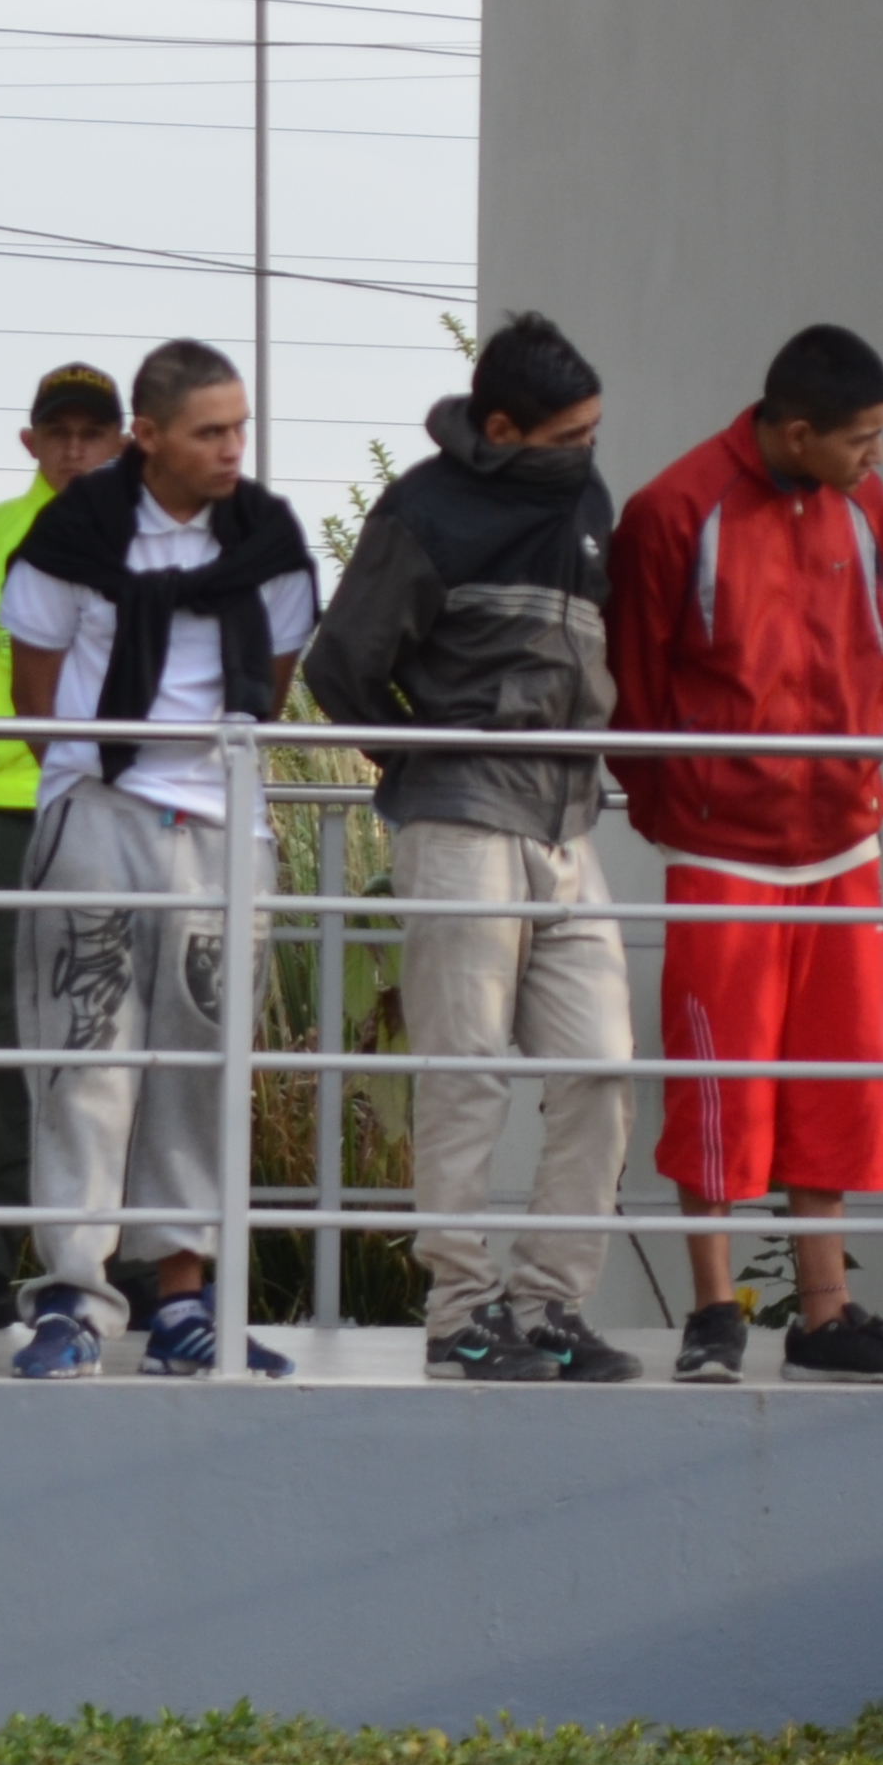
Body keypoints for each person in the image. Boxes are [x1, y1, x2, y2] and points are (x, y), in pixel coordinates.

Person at [310, 315, 637, 1385]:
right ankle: (459, 1310)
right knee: (464, 1076)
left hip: (567, 822)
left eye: (593, 430)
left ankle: (548, 1305)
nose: (586, 450)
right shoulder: (422, 508)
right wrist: (426, 755)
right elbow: (342, 668)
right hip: (458, 820)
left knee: (600, 1067)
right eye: (566, 434)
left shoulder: (584, 500)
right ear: (500, 427)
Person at [2, 338, 321, 1382]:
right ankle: (73, 1297)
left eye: (239, 428)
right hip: (96, 810)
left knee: (200, 1068)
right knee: (83, 1058)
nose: (232, 449)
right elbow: (33, 696)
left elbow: (265, 690)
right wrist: (105, 764)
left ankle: (183, 1301)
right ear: (147, 437)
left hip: (224, 830)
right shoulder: (70, 536)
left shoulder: (268, 539)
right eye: (208, 431)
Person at [606, 324, 883, 1388]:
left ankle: (823, 1317)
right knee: (714, 1084)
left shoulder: (863, 505)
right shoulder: (671, 510)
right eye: (861, 438)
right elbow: (638, 688)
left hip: (842, 840)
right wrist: (684, 808)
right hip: (722, 849)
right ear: (796, 431)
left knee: (835, 1083)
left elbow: (877, 644)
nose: (877, 456)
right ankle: (712, 1313)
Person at [0, 361, 128, 1326]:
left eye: (95, 432)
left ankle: (118, 1261)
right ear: (31, 441)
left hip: (131, 822)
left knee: (122, 1044)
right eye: (62, 432)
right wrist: (47, 746)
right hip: (15, 823)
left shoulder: (159, 544)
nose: (77, 449)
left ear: (126, 441)